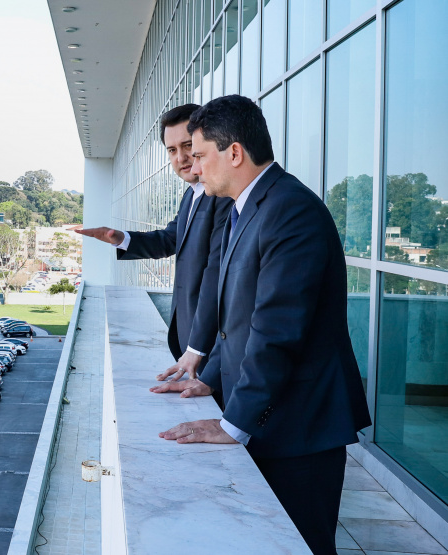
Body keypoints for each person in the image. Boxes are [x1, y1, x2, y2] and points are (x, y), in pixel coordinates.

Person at [151, 95, 371, 555]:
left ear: (234, 153)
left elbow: (277, 329)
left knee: (304, 545)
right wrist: (208, 379)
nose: (193, 166)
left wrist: (234, 423)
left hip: (301, 427)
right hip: (275, 417)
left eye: (200, 154)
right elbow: (239, 317)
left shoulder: (290, 210)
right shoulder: (246, 206)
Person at [75, 104, 233, 382]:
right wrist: (119, 238)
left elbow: (215, 276)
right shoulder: (192, 194)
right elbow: (172, 238)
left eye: (187, 146)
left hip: (208, 345)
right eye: (172, 150)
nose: (181, 157)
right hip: (189, 339)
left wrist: (197, 348)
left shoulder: (222, 196)